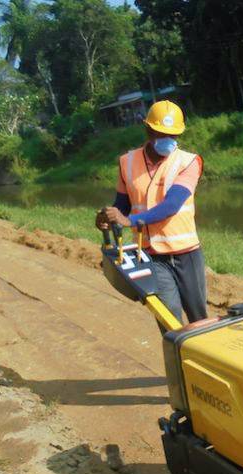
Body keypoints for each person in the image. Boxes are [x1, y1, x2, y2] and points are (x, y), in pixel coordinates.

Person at [95, 100, 208, 326]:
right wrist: (110, 216)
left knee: (199, 319)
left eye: (173, 135)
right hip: (152, 256)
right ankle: (176, 361)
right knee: (168, 320)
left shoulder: (189, 162)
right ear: (148, 130)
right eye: (161, 133)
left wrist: (129, 220)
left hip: (187, 255)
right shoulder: (127, 162)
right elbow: (122, 204)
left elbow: (171, 205)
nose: (169, 140)